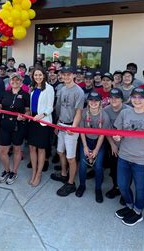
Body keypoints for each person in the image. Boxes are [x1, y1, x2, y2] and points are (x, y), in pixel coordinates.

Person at [113, 87, 144, 226]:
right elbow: (120, 131)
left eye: (140, 97)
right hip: (124, 156)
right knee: (122, 185)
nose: (137, 100)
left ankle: (137, 211)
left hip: (142, 159)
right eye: (134, 97)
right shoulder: (124, 113)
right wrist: (117, 137)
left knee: (141, 189)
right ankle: (129, 206)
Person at [51, 67, 85, 197]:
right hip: (61, 125)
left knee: (71, 157)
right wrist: (57, 124)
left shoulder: (79, 91)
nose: (66, 77)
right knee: (60, 151)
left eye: (69, 75)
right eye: (64, 75)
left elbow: (79, 112)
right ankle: (64, 174)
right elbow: (60, 108)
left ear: (74, 75)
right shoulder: (62, 89)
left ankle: (71, 183)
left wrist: (74, 127)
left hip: (71, 127)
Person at [0, 72, 30, 185]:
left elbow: (28, 110)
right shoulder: (5, 93)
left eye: (17, 80)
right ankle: (7, 170)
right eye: (12, 80)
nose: (15, 82)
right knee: (2, 151)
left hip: (18, 125)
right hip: (5, 123)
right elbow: (0, 105)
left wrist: (24, 117)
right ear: (10, 82)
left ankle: (14, 172)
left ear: (21, 82)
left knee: (17, 150)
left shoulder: (25, 94)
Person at [76, 91, 109, 203]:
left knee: (98, 166)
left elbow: (102, 134)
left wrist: (95, 150)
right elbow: (81, 131)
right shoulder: (84, 112)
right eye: (91, 100)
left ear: (100, 102)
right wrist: (85, 147)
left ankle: (98, 189)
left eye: (96, 100)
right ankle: (82, 185)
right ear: (88, 101)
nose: (93, 103)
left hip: (99, 142)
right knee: (83, 165)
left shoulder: (104, 115)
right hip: (86, 140)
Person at [28, 67, 54, 187]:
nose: (37, 77)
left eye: (40, 75)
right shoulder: (32, 88)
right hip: (32, 121)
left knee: (41, 149)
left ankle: (39, 174)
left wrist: (42, 115)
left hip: (43, 122)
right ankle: (33, 171)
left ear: (44, 75)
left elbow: (50, 107)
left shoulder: (49, 88)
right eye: (35, 75)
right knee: (32, 148)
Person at [103, 88, 130, 199]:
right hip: (113, 143)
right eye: (111, 98)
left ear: (122, 99)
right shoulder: (105, 110)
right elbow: (106, 130)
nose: (113, 100)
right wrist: (112, 144)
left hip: (127, 144)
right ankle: (116, 187)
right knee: (114, 167)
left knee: (126, 170)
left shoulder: (128, 110)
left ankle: (126, 192)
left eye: (117, 98)